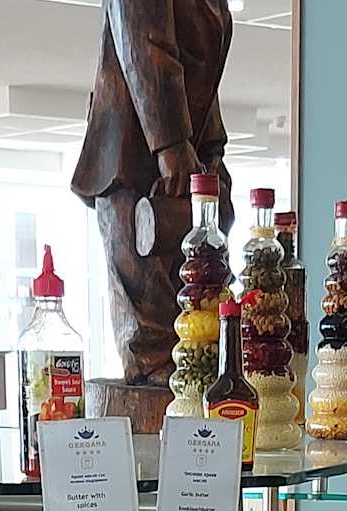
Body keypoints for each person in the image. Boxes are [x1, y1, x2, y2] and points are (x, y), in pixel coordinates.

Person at [67, 0, 233, 388]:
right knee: (152, 342)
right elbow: (143, 40)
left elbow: (203, 80)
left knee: (192, 322)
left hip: (181, 168)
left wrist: (210, 149)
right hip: (129, 156)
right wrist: (171, 144)